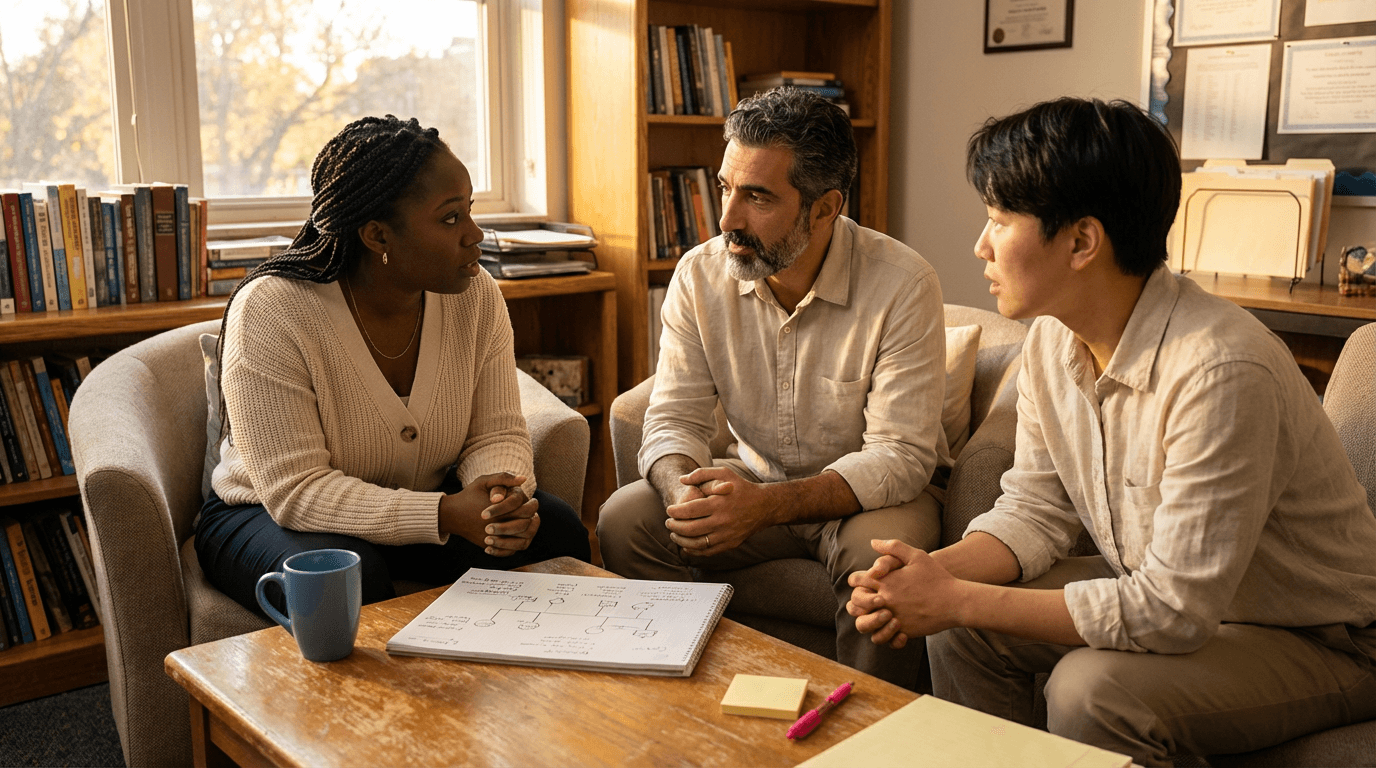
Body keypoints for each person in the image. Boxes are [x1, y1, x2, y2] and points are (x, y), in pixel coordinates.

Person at [846, 97, 1376, 765]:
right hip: (1173, 593)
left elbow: (1171, 610)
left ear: (1082, 241)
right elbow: (1035, 513)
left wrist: (956, 598)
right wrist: (930, 575)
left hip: (1320, 637)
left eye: (999, 221)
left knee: (1089, 691)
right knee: (960, 630)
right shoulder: (1050, 342)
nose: (980, 245)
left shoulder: (1220, 369)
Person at [597, 88, 950, 689]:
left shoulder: (903, 283)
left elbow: (901, 456)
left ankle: (866, 728)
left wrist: (764, 506)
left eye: (758, 197)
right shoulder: (699, 273)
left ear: (825, 207)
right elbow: (673, 419)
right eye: (726, 188)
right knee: (625, 519)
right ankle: (696, 704)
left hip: (872, 496)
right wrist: (685, 491)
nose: (729, 219)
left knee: (882, 562)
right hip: (755, 483)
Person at [196, 115, 591, 616]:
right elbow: (295, 491)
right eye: (450, 219)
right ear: (378, 236)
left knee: (555, 532)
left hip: (421, 499)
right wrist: (445, 513)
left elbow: (496, 431)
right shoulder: (273, 310)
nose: (475, 235)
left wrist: (497, 499)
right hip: (267, 514)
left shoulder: (475, 295)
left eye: (469, 211)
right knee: (348, 574)